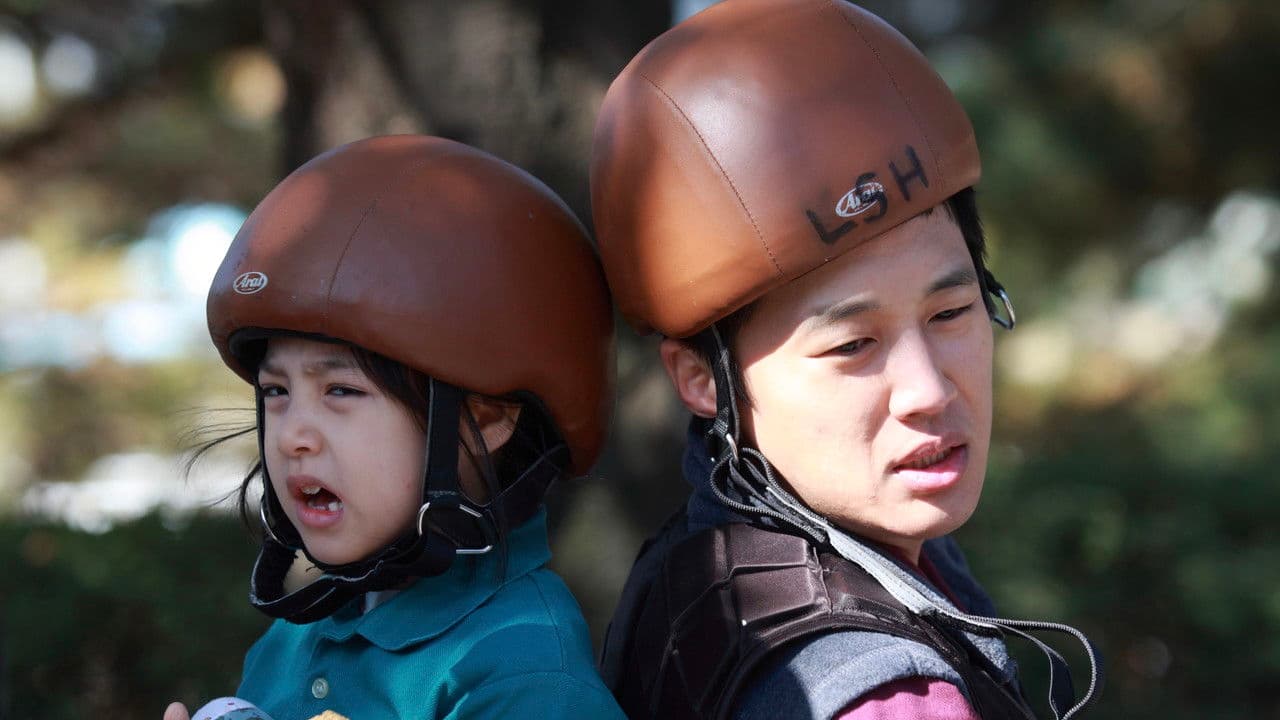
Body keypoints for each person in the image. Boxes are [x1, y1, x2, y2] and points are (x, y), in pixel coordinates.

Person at [590, 1, 1102, 719]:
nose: (927, 390)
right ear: (703, 380)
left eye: (951, 313)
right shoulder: (889, 697)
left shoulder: (694, 576)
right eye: (852, 345)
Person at [164, 135, 624, 719]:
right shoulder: (294, 639)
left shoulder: (525, 673)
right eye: (276, 392)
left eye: (341, 391)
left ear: (485, 419)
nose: (291, 436)